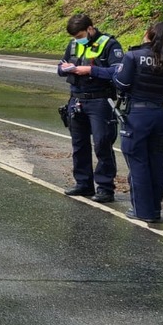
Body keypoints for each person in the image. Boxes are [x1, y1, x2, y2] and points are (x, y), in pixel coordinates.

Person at [113, 22, 163, 223]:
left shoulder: (133, 56)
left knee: (138, 164)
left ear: (147, 34)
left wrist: (117, 73)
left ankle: (143, 211)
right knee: (157, 163)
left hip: (137, 116)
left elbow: (122, 84)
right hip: (160, 116)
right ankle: (154, 209)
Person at [56, 14, 123, 203]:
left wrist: (91, 70)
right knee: (79, 145)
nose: (78, 39)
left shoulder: (110, 44)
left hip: (100, 101)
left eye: (80, 35)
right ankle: (84, 184)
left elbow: (118, 71)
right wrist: (65, 69)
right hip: (77, 100)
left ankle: (105, 188)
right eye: (75, 37)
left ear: (91, 29)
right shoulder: (73, 44)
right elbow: (60, 67)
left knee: (102, 144)